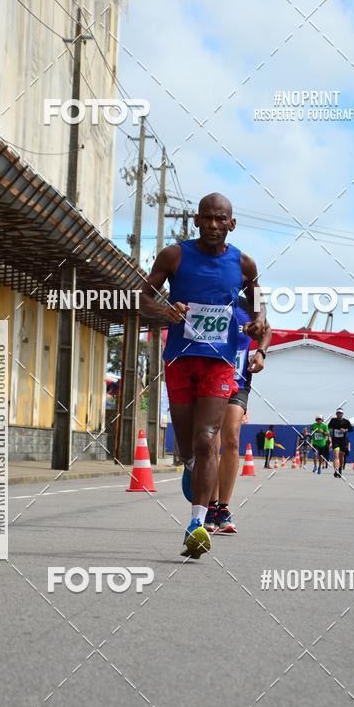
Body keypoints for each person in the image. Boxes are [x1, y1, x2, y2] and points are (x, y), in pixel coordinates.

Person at [139, 192, 265, 559]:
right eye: (206, 217)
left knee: (208, 438)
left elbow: (259, 308)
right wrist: (164, 309)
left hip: (219, 362)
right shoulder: (174, 256)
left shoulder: (244, 264)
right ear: (196, 220)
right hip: (180, 359)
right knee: (188, 446)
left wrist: (257, 323)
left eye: (220, 218)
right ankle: (192, 467)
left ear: (232, 224)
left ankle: (197, 522)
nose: (212, 225)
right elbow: (141, 297)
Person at [205, 297, 272, 533]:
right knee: (211, 443)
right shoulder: (208, 299)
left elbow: (267, 329)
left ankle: (223, 508)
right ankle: (210, 506)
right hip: (209, 379)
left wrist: (261, 352)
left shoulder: (247, 304)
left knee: (231, 438)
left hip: (238, 381)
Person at [328, 408, 353, 478]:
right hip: (335, 441)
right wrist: (329, 431)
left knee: (341, 457)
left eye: (340, 413)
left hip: (343, 441)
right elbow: (328, 427)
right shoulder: (333, 420)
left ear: (342, 414)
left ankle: (340, 470)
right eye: (338, 413)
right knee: (336, 455)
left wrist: (345, 430)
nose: (339, 414)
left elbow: (351, 429)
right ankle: (336, 470)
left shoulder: (346, 421)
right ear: (336, 414)